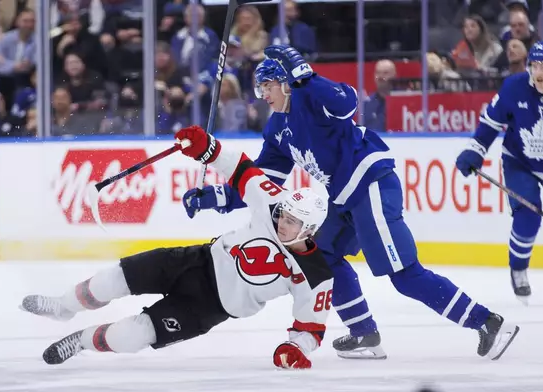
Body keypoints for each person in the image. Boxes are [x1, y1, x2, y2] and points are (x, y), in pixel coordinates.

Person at [182, 44, 520, 361]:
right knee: (321, 255)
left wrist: (308, 77)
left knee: (405, 275)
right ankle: (363, 333)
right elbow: (261, 180)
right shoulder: (277, 129)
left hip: (370, 184)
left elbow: (347, 102)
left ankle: (488, 323)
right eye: (260, 88)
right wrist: (215, 196)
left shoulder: (309, 98)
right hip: (344, 198)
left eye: (268, 85)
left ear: (286, 83)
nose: (264, 94)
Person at [20, 125, 333, 369]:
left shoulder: (316, 274)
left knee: (130, 337)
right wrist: (207, 148)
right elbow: (241, 168)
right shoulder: (274, 201)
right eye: (284, 214)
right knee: (108, 280)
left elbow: (311, 327)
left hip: (209, 308)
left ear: (309, 230)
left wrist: (295, 348)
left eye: (292, 222)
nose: (282, 222)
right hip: (195, 261)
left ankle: (80, 342)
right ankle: (63, 306)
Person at [456, 41, 543, 304]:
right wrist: (475, 151)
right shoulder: (514, 87)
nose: (538, 71)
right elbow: (491, 123)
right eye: (534, 65)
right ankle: (519, 268)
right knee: (528, 218)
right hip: (519, 163)